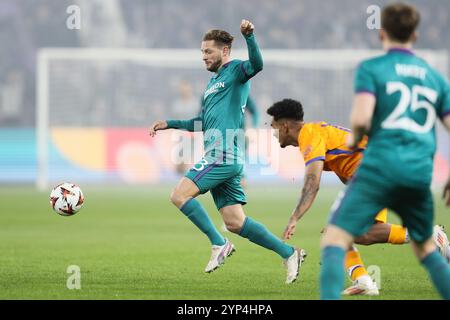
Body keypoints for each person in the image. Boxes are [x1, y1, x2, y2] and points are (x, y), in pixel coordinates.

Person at [149, 20, 306, 284]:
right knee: (235, 221)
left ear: (224, 51)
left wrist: (250, 36)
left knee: (178, 195)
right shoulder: (211, 86)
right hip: (222, 155)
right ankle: (289, 253)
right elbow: (200, 122)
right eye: (201, 53)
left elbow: (257, 65)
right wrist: (170, 124)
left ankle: (218, 243)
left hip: (223, 154)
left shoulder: (235, 71)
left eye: (208, 52)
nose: (204, 57)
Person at [319, 3, 450, 299]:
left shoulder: (372, 69)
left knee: (333, 237)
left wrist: (353, 142)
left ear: (382, 33)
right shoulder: (435, 77)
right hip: (419, 172)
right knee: (426, 249)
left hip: (379, 167)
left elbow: (361, 119)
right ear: (415, 34)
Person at [267, 98, 450, 295]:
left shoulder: (309, 135)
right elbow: (346, 164)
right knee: (352, 232)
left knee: (340, 232)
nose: (274, 133)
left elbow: (312, 183)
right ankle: (364, 281)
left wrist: (294, 217)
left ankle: (429, 236)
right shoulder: (318, 132)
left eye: (274, 127)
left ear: (285, 126)